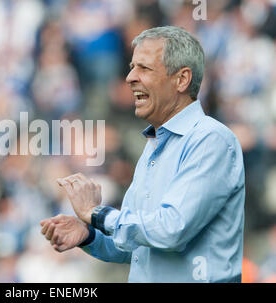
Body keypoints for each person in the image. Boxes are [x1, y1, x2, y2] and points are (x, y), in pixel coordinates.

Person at [40, 26, 245, 283]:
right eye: (131, 67)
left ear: (181, 79)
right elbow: (137, 247)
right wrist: (89, 235)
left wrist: (97, 214)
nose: (130, 77)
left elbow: (171, 230)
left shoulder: (210, 139)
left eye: (144, 68)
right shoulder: (155, 144)